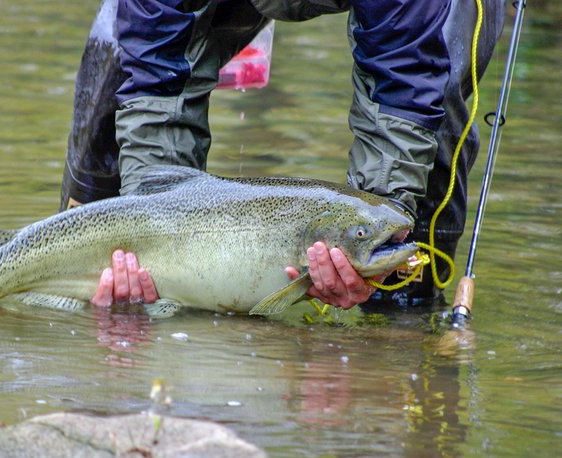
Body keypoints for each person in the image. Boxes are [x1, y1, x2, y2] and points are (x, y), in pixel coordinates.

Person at [60, 0, 506, 310]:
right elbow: (154, 69)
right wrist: (146, 227)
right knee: (114, 62)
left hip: (412, 23)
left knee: (437, 91)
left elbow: (404, 83)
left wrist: (373, 237)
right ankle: (87, 283)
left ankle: (403, 317)